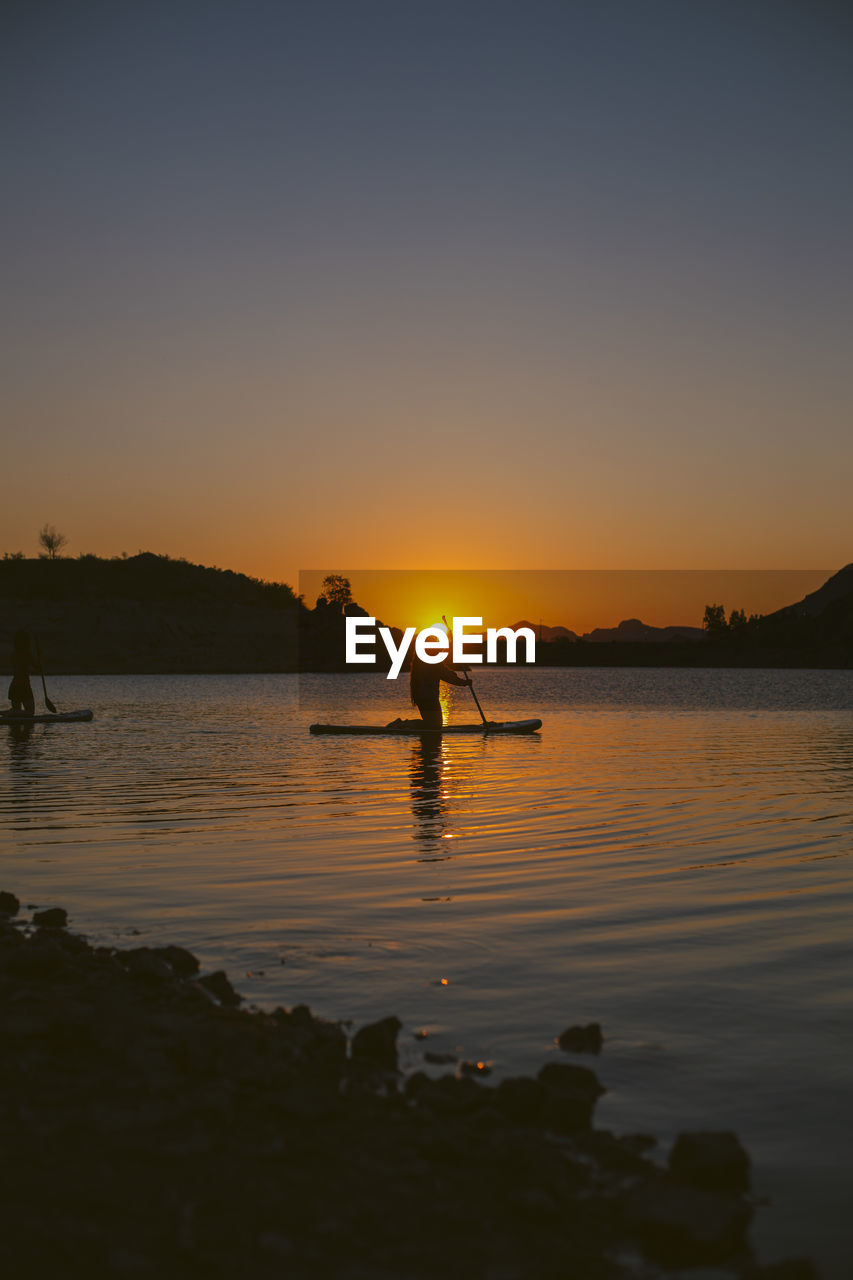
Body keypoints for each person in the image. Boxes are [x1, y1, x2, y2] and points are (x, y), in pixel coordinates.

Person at [409, 621, 471, 729]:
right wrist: (464, 682)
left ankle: (411, 727)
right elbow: (446, 675)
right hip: (429, 698)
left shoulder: (421, 659)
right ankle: (406, 725)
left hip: (421, 697)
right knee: (436, 726)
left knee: (432, 725)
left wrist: (450, 641)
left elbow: (444, 670)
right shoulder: (432, 662)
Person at [8, 630, 37, 716]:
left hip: (15, 686)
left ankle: (11, 712)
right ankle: (8, 712)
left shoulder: (14, 654)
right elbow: (34, 668)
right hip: (23, 686)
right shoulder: (27, 654)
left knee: (17, 714)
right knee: (30, 713)